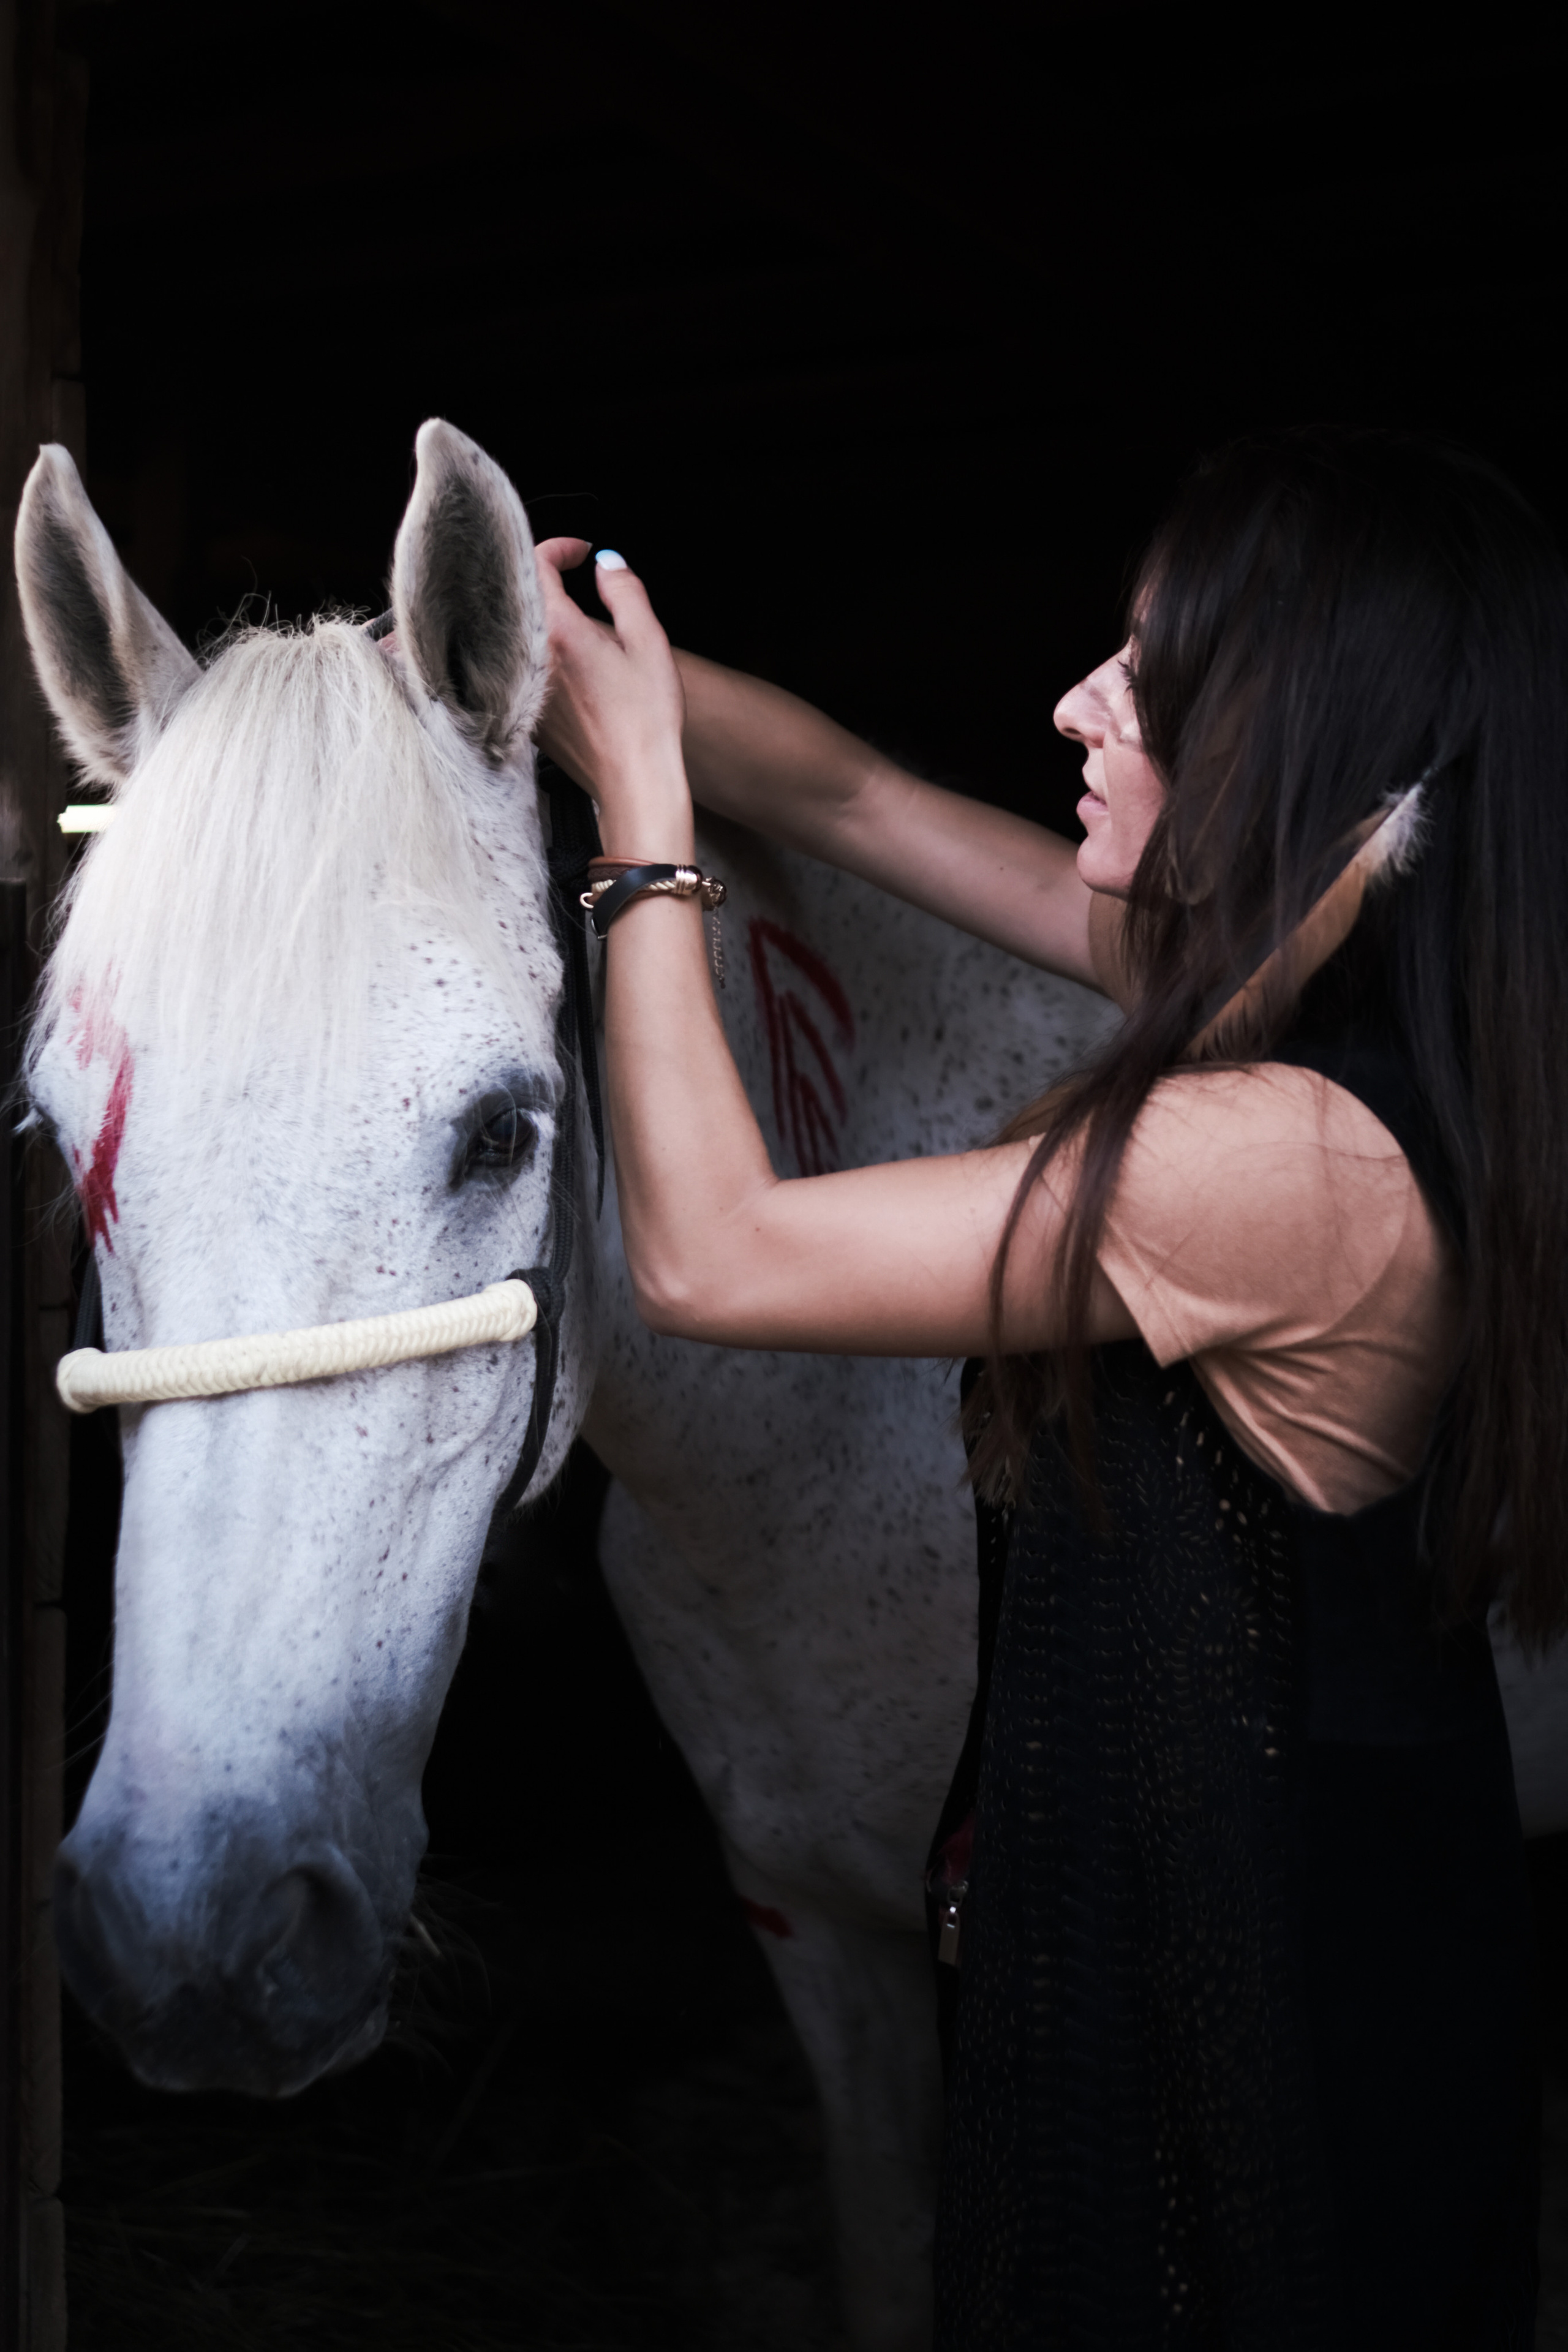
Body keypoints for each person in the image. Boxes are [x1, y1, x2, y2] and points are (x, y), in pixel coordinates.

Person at [535, 428, 1567, 2351]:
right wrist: (565, 667)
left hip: (1273, 2024)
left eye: (1153, 676)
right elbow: (852, 795)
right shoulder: (1262, 991)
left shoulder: (1288, 1162)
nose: (1075, 703)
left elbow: (712, 1256)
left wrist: (644, 835)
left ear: (1307, 736)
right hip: (1200, 1941)